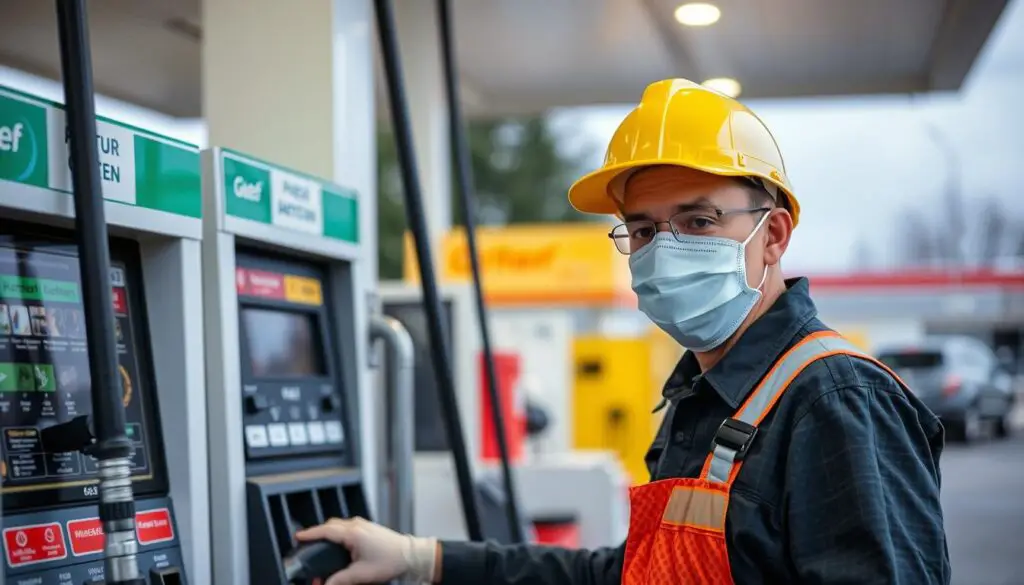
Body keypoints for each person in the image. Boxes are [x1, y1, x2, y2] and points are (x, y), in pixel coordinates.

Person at [297, 78, 950, 585]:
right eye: (642, 230)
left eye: (697, 221)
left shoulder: (836, 402)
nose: (662, 250)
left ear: (773, 234)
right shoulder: (704, 394)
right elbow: (628, 573)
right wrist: (419, 557)